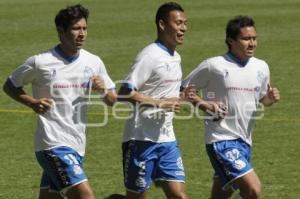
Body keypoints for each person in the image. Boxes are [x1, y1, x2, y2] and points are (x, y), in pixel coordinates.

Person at [3, 4, 116, 199]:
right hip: (52, 144)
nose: (82, 34)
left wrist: (103, 90)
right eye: (76, 29)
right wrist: (31, 102)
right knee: (84, 196)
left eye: (84, 28)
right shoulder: (40, 62)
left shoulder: (93, 62)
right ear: (60, 30)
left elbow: (112, 100)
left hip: (77, 144)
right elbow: (10, 85)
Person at [182, 16, 280, 199]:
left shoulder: (261, 67)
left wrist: (270, 98)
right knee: (252, 189)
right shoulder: (214, 66)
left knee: (221, 196)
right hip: (221, 139)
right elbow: (184, 90)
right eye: (246, 39)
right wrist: (205, 105)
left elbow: (261, 100)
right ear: (230, 40)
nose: (252, 43)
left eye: (254, 38)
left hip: (245, 140)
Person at [118, 2, 188, 199]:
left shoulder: (176, 58)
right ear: (162, 25)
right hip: (140, 140)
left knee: (180, 196)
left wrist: (184, 96)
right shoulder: (149, 56)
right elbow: (124, 92)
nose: (183, 28)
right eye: (178, 23)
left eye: (185, 23)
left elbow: (167, 92)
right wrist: (160, 103)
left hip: (167, 140)